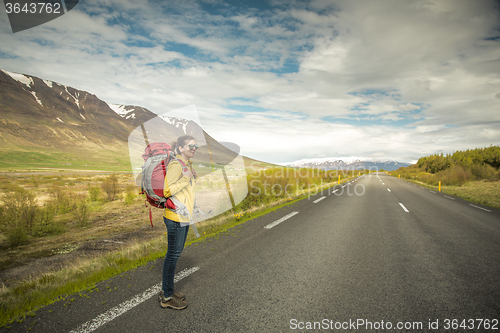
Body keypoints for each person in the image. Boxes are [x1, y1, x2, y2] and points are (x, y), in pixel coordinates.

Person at [158, 135, 198, 310]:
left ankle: (168, 290)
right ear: (181, 148)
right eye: (191, 145)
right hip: (175, 219)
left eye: (196, 146)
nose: (194, 148)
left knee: (175, 254)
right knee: (173, 255)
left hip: (182, 217)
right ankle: (167, 296)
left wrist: (191, 178)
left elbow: (183, 192)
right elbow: (167, 191)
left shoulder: (185, 165)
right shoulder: (176, 165)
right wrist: (185, 179)